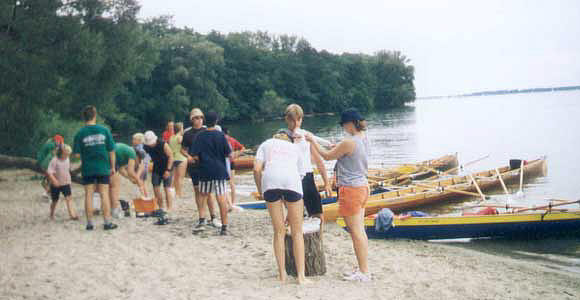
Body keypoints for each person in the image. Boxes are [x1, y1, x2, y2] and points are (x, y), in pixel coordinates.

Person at [306, 108, 371, 282]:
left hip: (351, 190)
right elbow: (344, 151)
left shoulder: (349, 142)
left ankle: (364, 272)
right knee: (360, 231)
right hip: (363, 186)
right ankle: (363, 268)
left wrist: (312, 141)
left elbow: (327, 156)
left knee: (355, 232)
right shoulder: (364, 138)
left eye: (344, 125)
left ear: (351, 124)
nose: (343, 128)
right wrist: (337, 147)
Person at [253, 129, 306, 284]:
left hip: (270, 182)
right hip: (291, 181)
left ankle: (282, 275)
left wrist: (261, 190)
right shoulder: (295, 148)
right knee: (297, 232)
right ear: (288, 139)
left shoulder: (265, 144)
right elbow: (301, 174)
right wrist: (292, 209)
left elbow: (256, 169)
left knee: (279, 231)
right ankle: (301, 277)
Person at [284, 104, 332, 222]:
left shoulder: (306, 135)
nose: (295, 124)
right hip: (292, 179)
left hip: (308, 178)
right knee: (294, 217)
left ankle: (318, 240)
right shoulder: (282, 137)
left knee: (318, 215)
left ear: (301, 119)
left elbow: (319, 160)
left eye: (298, 120)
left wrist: (326, 183)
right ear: (287, 119)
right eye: (292, 120)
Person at [73, 105, 117, 231]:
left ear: (84, 117)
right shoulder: (104, 131)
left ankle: (90, 223)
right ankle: (107, 222)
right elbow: (111, 151)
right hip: (103, 167)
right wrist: (113, 167)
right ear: (95, 115)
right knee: (104, 194)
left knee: (88, 194)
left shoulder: (80, 133)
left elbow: (76, 154)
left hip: (88, 168)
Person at [190, 112, 233, 235]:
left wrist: (202, 159)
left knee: (203, 195)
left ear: (204, 121)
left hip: (205, 169)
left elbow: (194, 155)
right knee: (221, 197)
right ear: (216, 121)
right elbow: (229, 154)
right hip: (219, 170)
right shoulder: (221, 135)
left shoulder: (200, 136)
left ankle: (202, 220)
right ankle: (224, 226)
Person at [181, 108, 220, 229]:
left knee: (208, 192)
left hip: (206, 165)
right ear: (192, 120)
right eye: (196, 118)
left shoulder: (206, 130)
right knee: (198, 191)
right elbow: (182, 149)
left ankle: (213, 217)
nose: (199, 120)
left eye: (201, 118)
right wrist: (188, 157)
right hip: (194, 166)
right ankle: (201, 218)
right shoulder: (188, 134)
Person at [143, 131, 174, 221]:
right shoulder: (146, 147)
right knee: (156, 188)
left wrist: (168, 170)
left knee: (166, 188)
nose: (151, 145)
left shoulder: (162, 144)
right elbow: (145, 158)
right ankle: (161, 207)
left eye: (151, 143)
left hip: (167, 166)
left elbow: (171, 156)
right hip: (156, 167)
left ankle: (169, 208)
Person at [109, 143, 146, 218]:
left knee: (109, 186)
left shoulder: (126, 155)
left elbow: (121, 169)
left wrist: (130, 179)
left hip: (108, 157)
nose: (137, 162)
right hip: (110, 157)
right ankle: (114, 209)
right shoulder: (132, 153)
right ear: (137, 156)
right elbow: (130, 171)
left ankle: (111, 208)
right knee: (115, 185)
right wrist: (138, 180)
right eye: (139, 160)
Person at [46, 144, 78, 220]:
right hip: (56, 184)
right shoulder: (54, 160)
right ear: (61, 153)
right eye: (66, 153)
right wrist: (54, 180)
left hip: (66, 182)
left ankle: (72, 215)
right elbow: (49, 172)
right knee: (55, 200)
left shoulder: (67, 159)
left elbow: (68, 169)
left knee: (69, 198)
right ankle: (51, 213)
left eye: (68, 154)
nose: (67, 155)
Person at [222, 127, 245, 207]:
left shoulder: (221, 139)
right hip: (230, 163)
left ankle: (230, 202)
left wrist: (236, 154)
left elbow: (242, 148)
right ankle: (233, 202)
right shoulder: (231, 139)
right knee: (231, 183)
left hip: (225, 163)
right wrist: (236, 154)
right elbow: (242, 148)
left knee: (225, 183)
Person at [169, 122, 187, 198]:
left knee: (174, 177)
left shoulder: (171, 137)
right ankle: (179, 193)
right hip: (181, 158)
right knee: (180, 178)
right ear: (180, 129)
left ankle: (173, 192)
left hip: (174, 158)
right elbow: (183, 145)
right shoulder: (180, 137)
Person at [132, 133, 150, 197]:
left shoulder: (138, 148)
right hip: (146, 167)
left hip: (140, 167)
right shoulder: (145, 147)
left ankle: (143, 197)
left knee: (139, 182)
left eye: (134, 139)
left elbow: (142, 156)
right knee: (143, 183)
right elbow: (148, 157)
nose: (133, 141)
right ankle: (146, 196)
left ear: (140, 141)